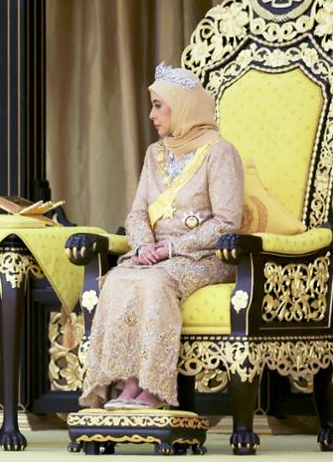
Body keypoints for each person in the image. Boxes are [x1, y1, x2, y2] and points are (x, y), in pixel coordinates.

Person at [79, 62, 243, 410]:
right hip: (154, 254)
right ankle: (128, 383)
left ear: (182, 106)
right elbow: (137, 212)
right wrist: (143, 246)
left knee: (155, 282)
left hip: (203, 257)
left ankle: (153, 386)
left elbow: (227, 223)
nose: (152, 115)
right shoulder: (155, 153)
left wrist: (172, 247)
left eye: (158, 106)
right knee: (118, 279)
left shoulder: (220, 152)